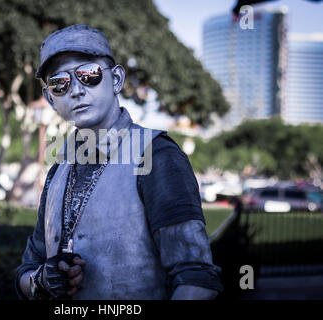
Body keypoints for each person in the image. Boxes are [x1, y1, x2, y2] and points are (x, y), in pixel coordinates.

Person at [15, 24, 223, 300]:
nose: (75, 90)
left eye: (88, 74)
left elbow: (196, 277)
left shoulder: (156, 154)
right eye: (59, 83)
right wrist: (43, 280)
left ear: (116, 80)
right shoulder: (59, 169)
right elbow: (27, 270)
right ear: (50, 99)